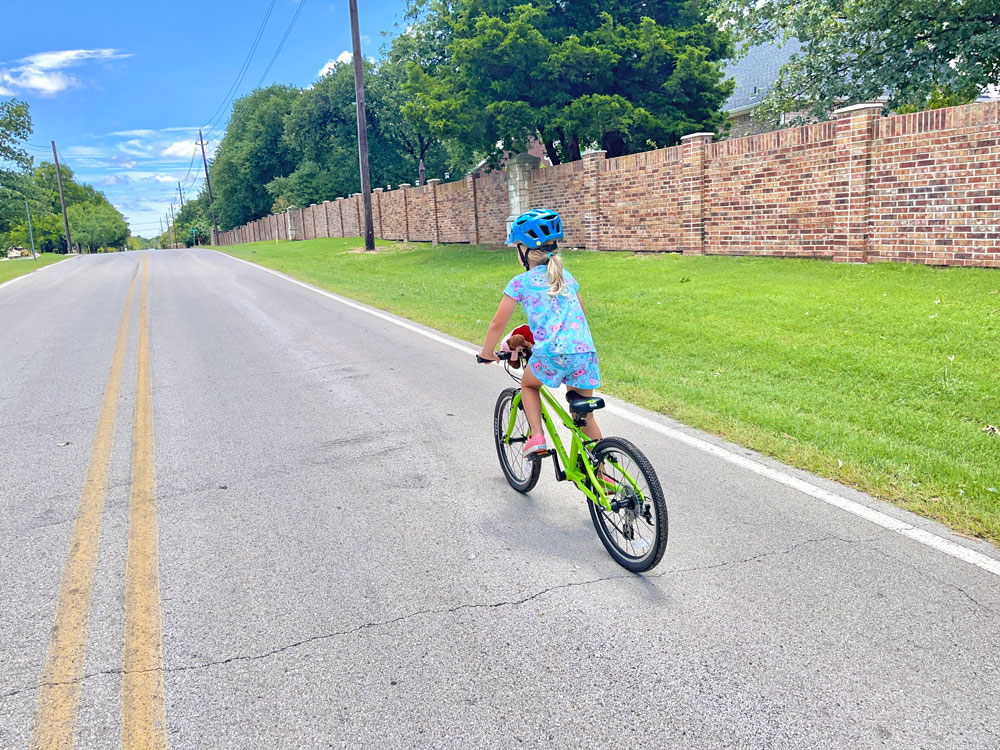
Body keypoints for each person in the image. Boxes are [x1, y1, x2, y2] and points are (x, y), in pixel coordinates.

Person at [477, 208, 602, 457]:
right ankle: (603, 474)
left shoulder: (520, 283)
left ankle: (537, 436)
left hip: (551, 354)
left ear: (525, 251)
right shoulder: (566, 276)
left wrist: (487, 351)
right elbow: (581, 316)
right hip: (585, 353)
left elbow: (497, 324)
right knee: (584, 415)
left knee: (529, 385)